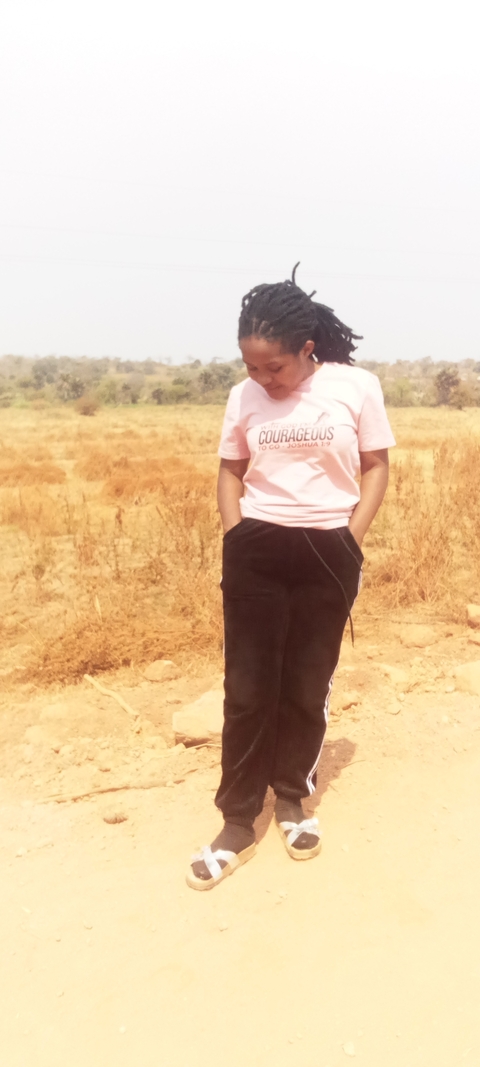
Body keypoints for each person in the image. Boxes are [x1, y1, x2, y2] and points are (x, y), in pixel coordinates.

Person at [187, 264, 395, 891]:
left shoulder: (356, 387)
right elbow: (230, 469)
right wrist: (236, 536)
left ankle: (293, 800)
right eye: (251, 367)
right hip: (256, 548)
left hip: (328, 549)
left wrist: (350, 539)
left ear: (307, 349)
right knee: (247, 687)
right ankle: (236, 821)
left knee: (307, 682)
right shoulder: (242, 397)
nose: (262, 379)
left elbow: (376, 466)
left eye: (273, 367)